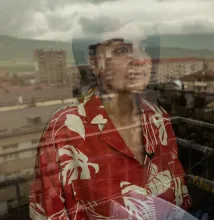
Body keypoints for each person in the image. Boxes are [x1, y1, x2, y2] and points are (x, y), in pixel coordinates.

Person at [29, 24, 193, 219]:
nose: (140, 59)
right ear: (94, 63)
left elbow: (178, 200)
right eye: (122, 50)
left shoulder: (158, 118)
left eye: (145, 47)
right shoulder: (66, 129)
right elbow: (48, 212)